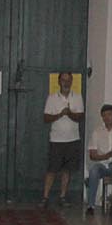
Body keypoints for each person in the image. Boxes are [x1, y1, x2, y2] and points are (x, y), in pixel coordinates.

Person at [40, 71, 85, 207]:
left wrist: (69, 113)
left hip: (72, 139)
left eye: (68, 80)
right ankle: (45, 197)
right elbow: (46, 118)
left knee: (67, 170)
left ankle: (63, 196)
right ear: (59, 82)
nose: (66, 83)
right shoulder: (52, 98)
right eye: (64, 80)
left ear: (71, 82)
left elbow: (80, 117)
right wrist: (60, 114)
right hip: (56, 139)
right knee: (52, 169)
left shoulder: (77, 97)